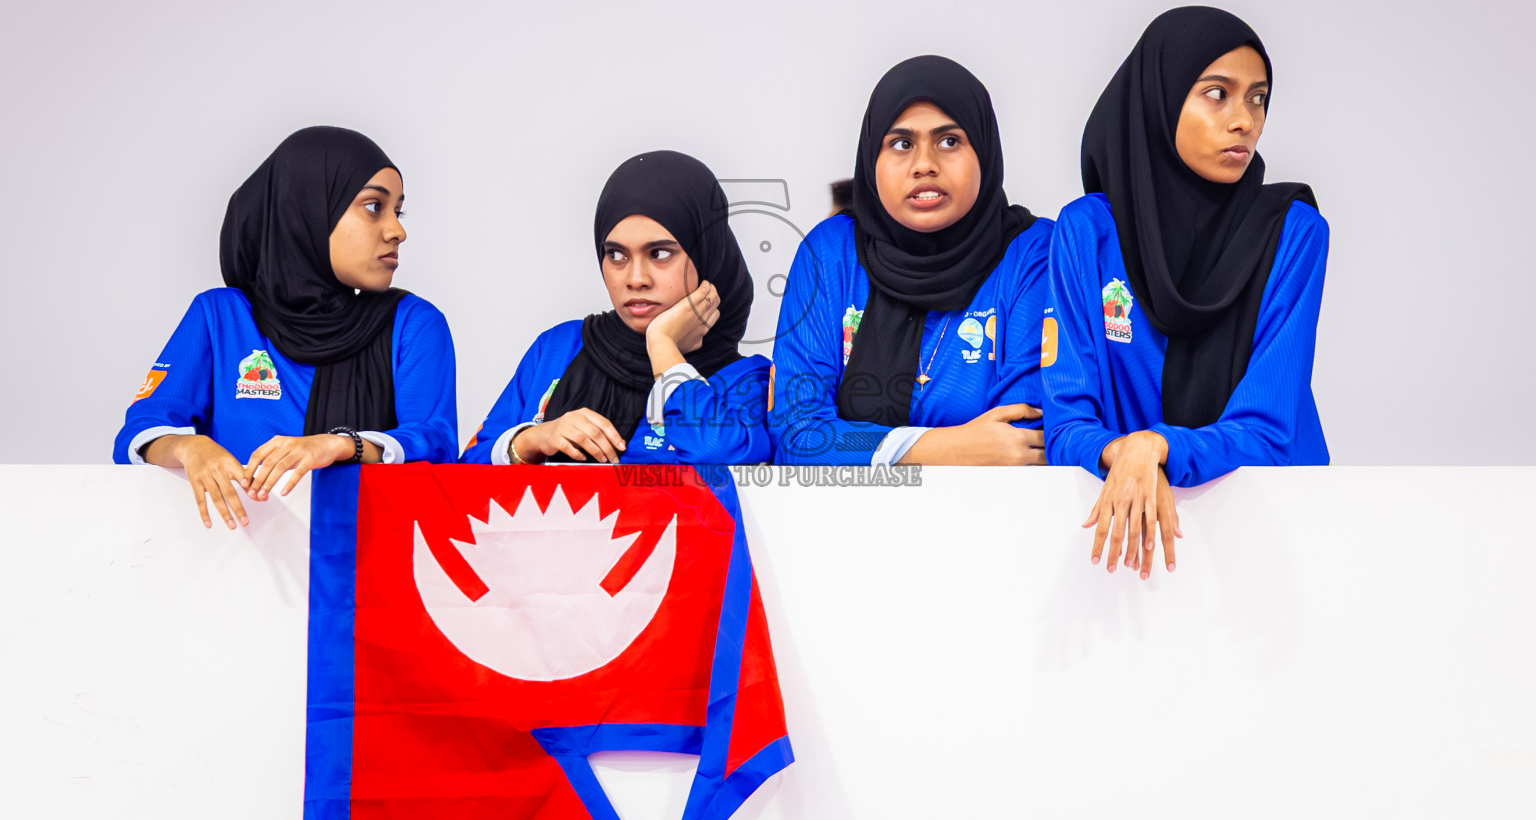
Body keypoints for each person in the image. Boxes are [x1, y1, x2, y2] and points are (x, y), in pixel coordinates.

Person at [1043, 6, 1329, 578]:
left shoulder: (1293, 232)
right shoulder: (1088, 233)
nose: (1244, 120)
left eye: (1258, 98)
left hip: (1273, 530)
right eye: (1217, 94)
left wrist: (1157, 448)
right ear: (1160, 98)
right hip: (1124, 534)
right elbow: (1065, 422)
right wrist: (1124, 453)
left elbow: (1270, 431)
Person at [112, 126, 458, 528]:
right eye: (372, 207)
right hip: (235, 565)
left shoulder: (413, 325)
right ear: (309, 208)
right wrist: (189, 448)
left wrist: (344, 445)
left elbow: (437, 446)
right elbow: (139, 431)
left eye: (396, 210)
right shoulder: (221, 317)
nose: (397, 230)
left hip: (362, 569)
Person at [769, 55, 1054, 466]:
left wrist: (858, 445)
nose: (925, 165)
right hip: (838, 525)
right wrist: (952, 447)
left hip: (991, 521)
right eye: (901, 144)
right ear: (872, 160)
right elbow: (797, 433)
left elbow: (1023, 438)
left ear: (985, 151)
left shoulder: (1031, 253)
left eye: (949, 141)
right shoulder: (831, 254)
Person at [461, 151, 769, 466]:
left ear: (708, 255)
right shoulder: (558, 348)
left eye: (660, 253)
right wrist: (530, 441)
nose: (635, 279)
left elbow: (721, 460)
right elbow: (464, 474)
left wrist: (663, 348)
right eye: (617, 255)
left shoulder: (749, 381)